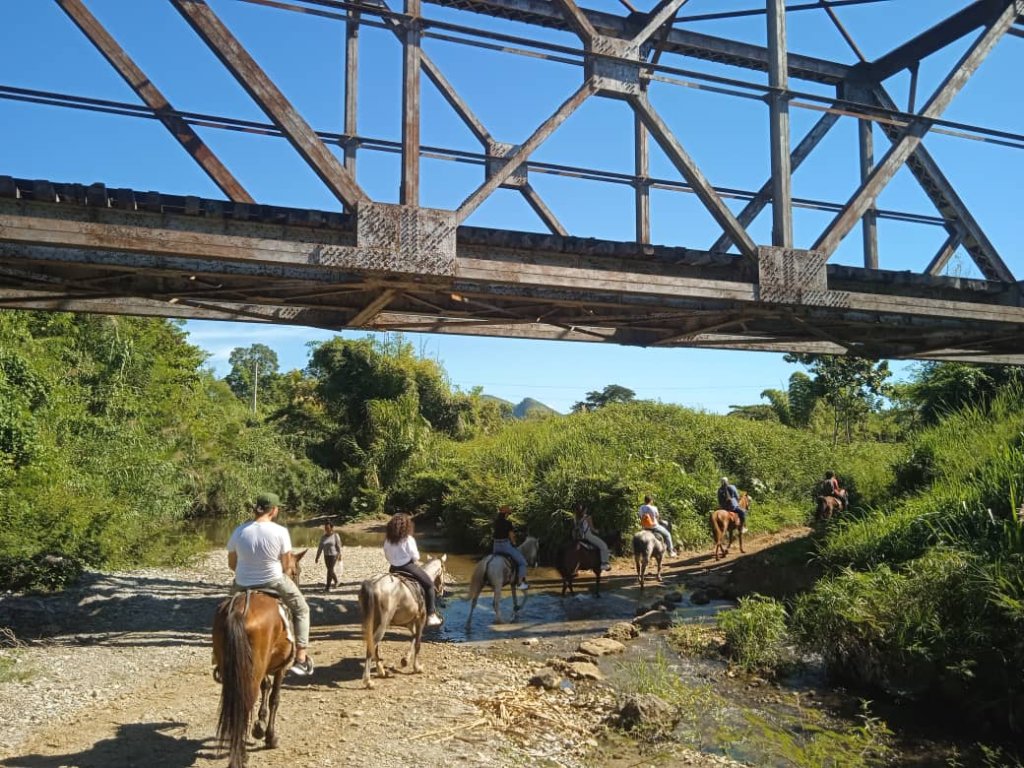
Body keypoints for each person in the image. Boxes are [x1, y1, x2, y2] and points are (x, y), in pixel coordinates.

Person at [227, 492, 314, 676]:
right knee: (302, 609)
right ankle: (301, 658)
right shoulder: (280, 531)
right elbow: (285, 564)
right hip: (273, 581)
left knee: (225, 612)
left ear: (257, 509)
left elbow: (232, 564)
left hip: (242, 583)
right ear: (274, 510)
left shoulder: (239, 531)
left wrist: (247, 573)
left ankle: (218, 655)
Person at [383, 512, 443, 627]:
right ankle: (431, 615)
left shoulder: (388, 540)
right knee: (430, 585)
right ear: (407, 525)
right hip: (408, 567)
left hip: (393, 568)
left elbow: (387, 555)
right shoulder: (408, 539)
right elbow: (416, 557)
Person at [492, 504, 529, 591]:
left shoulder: (495, 522)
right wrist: (514, 543)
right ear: (505, 514)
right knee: (522, 563)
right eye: (508, 513)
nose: (508, 515)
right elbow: (511, 536)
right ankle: (520, 583)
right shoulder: (508, 523)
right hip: (505, 546)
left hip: (495, 546)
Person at [573, 503, 611, 572]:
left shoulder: (575, 517)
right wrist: (598, 531)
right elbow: (592, 529)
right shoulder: (588, 517)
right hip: (588, 536)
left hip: (578, 537)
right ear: (584, 510)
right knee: (603, 546)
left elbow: (576, 528)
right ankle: (604, 564)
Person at [315, 521, 343, 592]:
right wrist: (317, 557)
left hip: (334, 555)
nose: (326, 529)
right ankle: (336, 581)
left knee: (330, 570)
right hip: (326, 555)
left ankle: (327, 587)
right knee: (330, 570)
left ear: (331, 528)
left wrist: (340, 554)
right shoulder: (323, 537)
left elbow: (338, 546)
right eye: (325, 528)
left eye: (328, 528)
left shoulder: (335, 535)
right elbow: (320, 547)